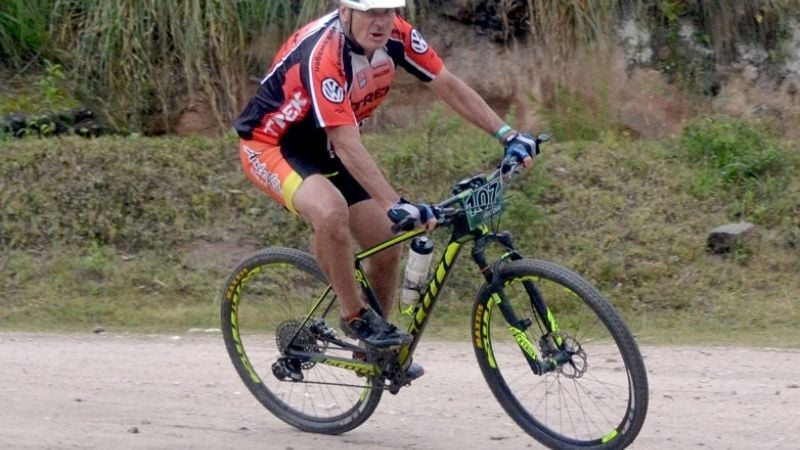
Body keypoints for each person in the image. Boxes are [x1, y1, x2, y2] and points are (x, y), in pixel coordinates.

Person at [233, 0, 539, 371]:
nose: (380, 22)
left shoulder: (398, 34)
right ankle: (355, 315)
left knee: (386, 244)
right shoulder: (323, 55)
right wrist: (395, 202)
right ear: (345, 11)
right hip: (273, 146)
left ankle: (374, 353)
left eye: (388, 11)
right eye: (370, 12)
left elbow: (447, 84)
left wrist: (507, 135)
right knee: (330, 211)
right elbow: (347, 143)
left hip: (328, 146)